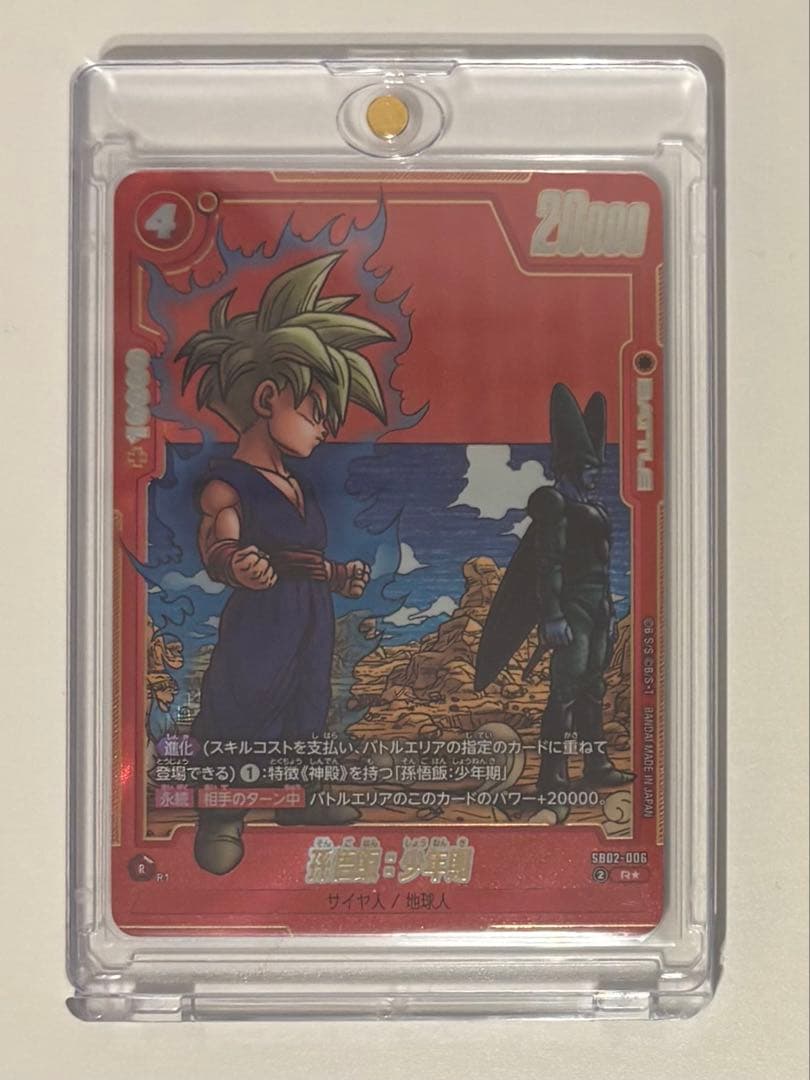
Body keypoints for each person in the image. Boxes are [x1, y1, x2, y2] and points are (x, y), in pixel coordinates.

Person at [176, 252, 391, 873]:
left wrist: (340, 577)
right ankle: (222, 816)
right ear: (268, 397)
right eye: (316, 414)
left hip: (310, 614)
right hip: (262, 616)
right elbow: (217, 539)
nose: (324, 429)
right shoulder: (229, 481)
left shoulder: (300, 487)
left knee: (308, 702)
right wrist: (234, 564)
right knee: (243, 700)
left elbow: (305, 558)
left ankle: (304, 797)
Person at [475, 383, 634, 824]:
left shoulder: (591, 506)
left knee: (592, 688)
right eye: (589, 467)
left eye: (597, 466)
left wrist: (609, 611)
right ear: (571, 466)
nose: (596, 474)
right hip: (570, 612)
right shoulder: (556, 506)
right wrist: (553, 617)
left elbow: (600, 568)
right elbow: (548, 567)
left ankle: (596, 764)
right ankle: (553, 780)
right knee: (563, 695)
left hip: (596, 610)